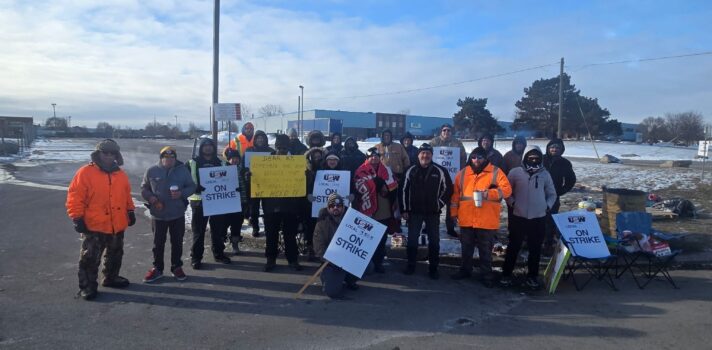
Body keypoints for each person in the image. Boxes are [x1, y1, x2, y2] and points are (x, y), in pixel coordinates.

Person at [66, 139, 135, 300]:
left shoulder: (121, 175)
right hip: (94, 225)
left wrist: (130, 210)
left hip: (117, 223)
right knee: (90, 258)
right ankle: (87, 286)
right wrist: (77, 217)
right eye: (105, 153)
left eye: (112, 153)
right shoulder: (85, 173)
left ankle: (111, 277)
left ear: (117, 155)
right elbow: (75, 197)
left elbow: (126, 196)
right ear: (98, 153)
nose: (109, 156)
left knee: (115, 254)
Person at [450, 147, 511, 287]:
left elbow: (507, 190)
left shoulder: (496, 172)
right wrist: (453, 214)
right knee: (466, 248)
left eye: (480, 157)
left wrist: (489, 194)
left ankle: (486, 275)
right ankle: (465, 270)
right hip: (466, 219)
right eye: (474, 157)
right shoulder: (463, 173)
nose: (476, 160)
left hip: (486, 220)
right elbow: (455, 196)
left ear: (485, 158)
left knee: (485, 251)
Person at [501, 146, 556, 290]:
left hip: (538, 217)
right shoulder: (515, 172)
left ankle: (532, 276)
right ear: (525, 157)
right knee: (514, 247)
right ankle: (506, 274)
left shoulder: (545, 174)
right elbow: (506, 191)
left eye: (536, 158)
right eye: (530, 157)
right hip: (518, 216)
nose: (534, 160)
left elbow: (552, 194)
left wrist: (547, 206)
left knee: (535, 248)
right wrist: (512, 203)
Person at [141, 146, 196, 283]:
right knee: (158, 243)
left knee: (177, 242)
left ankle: (176, 267)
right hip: (158, 214)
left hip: (177, 213)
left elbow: (192, 186)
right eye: (166, 157)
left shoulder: (182, 170)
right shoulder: (152, 170)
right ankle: (157, 268)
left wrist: (181, 193)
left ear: (175, 158)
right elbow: (144, 188)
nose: (169, 160)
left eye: (172, 158)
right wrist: (151, 198)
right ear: (161, 158)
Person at [400, 143, 452, 279]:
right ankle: (411, 265)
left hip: (432, 212)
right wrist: (404, 209)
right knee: (412, 240)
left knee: (434, 241)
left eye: (428, 153)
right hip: (414, 212)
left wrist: (438, 204)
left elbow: (448, 189)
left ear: (431, 155)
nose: (425, 155)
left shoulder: (439, 170)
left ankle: (433, 268)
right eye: (423, 153)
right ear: (418, 155)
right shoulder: (410, 170)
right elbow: (403, 190)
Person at [262, 134, 304, 272]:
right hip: (271, 204)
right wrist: (251, 177)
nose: (281, 150)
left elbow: (303, 184)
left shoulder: (296, 162)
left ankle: (292, 259)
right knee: (271, 234)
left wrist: (306, 176)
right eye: (279, 147)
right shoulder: (265, 162)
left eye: (284, 147)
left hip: (290, 205)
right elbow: (259, 182)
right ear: (275, 147)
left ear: (288, 147)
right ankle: (270, 259)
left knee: (290, 234)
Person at [186, 137, 230, 269]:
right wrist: (194, 187)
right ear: (201, 148)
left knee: (218, 230)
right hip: (199, 202)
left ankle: (219, 254)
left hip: (217, 201)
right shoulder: (192, 163)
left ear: (214, 147)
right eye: (205, 145)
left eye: (210, 145)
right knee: (198, 231)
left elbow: (231, 178)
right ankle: (196, 257)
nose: (208, 147)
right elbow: (183, 180)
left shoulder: (222, 163)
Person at [354, 147, 398, 273]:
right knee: (367, 237)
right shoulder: (360, 170)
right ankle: (366, 262)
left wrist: (385, 188)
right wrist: (374, 183)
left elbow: (393, 187)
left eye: (376, 156)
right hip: (366, 207)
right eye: (371, 156)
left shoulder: (386, 170)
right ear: (367, 158)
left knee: (381, 237)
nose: (374, 158)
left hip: (383, 207)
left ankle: (378, 262)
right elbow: (358, 185)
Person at [313, 193, 359, 298]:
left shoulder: (352, 219)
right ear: (328, 208)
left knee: (368, 265)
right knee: (331, 292)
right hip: (331, 262)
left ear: (343, 207)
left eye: (339, 206)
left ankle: (350, 279)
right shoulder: (321, 223)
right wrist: (332, 260)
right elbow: (319, 248)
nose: (335, 208)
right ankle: (327, 277)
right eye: (332, 206)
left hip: (348, 258)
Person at [430, 123, 467, 237]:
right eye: (444, 130)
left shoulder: (457, 143)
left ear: (452, 132)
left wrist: (459, 171)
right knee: (433, 203)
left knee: (451, 205)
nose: (446, 132)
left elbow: (463, 158)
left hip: (452, 179)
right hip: (436, 180)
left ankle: (450, 228)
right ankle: (430, 226)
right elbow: (427, 155)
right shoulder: (434, 142)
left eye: (449, 130)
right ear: (441, 131)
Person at [542, 138, 577, 255]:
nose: (554, 149)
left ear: (561, 149)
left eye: (557, 148)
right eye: (552, 147)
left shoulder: (565, 163)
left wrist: (561, 191)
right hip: (537, 194)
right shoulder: (541, 159)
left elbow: (571, 180)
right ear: (548, 148)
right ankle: (532, 242)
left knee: (550, 220)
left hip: (554, 196)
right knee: (535, 219)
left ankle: (548, 244)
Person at [244, 130, 275, 237]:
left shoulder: (271, 151)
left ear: (265, 139)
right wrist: (247, 174)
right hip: (253, 185)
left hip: (267, 185)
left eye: (262, 138)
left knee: (268, 208)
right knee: (254, 209)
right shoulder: (249, 151)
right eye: (258, 138)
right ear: (255, 140)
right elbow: (244, 168)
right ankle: (255, 227)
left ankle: (268, 227)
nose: (260, 140)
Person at [223, 148, 250, 255]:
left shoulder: (243, 170)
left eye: (236, 158)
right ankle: (221, 243)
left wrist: (247, 178)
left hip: (241, 202)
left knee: (237, 224)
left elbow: (249, 183)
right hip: (227, 202)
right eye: (232, 159)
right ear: (228, 160)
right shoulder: (223, 170)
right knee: (224, 224)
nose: (234, 160)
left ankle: (235, 244)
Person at [304, 147, 326, 262]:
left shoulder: (326, 169)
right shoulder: (306, 170)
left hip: (324, 203)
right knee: (310, 227)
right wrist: (307, 194)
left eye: (319, 157)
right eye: (315, 157)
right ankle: (310, 249)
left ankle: (323, 250)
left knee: (323, 227)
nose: (317, 159)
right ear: (310, 158)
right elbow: (302, 184)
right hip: (310, 203)